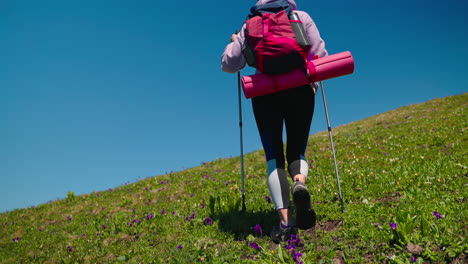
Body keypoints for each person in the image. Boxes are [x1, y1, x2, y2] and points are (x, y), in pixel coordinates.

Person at [221, 0, 328, 242]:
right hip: (300, 88)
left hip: (264, 91)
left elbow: (229, 64)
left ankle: (285, 222)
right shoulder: (300, 16)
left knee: (273, 156)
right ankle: (299, 183)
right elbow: (319, 54)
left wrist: (235, 40)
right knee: (297, 149)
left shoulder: (250, 25)